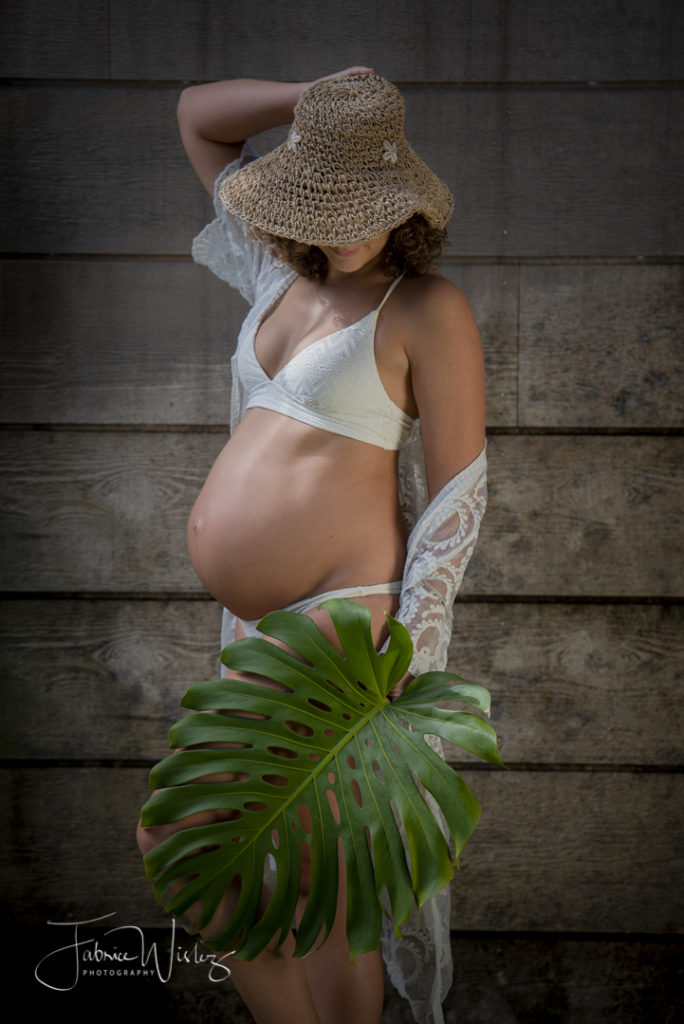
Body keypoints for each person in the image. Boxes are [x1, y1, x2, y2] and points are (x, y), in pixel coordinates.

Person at [138, 67, 487, 1024]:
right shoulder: (275, 271)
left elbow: (460, 494)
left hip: (339, 627)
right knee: (325, 895)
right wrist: (312, 102)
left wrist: (411, 654)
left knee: (187, 840)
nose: (342, 228)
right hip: (249, 626)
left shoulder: (425, 308)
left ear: (403, 201)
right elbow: (197, 118)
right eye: (323, 202)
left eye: (362, 206)